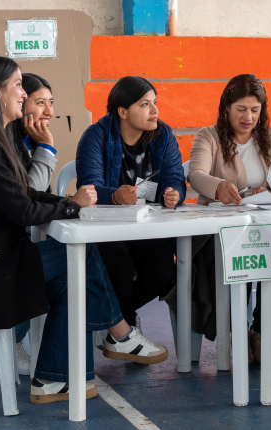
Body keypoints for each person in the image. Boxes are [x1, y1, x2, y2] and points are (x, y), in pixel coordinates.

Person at [0, 56, 167, 406]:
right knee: (82, 256)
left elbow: (23, 194)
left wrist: (68, 201)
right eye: (16, 85)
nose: (22, 94)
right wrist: (72, 206)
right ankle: (119, 334)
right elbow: (23, 210)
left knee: (75, 279)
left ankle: (54, 380)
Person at [188, 74, 271, 362]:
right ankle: (240, 332)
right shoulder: (207, 136)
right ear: (226, 108)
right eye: (241, 109)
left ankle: (258, 328)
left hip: (261, 224)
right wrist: (218, 187)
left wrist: (267, 192)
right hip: (220, 230)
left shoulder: (268, 139)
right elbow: (195, 174)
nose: (248, 117)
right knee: (243, 256)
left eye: (255, 110)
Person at [76, 76, 186, 332]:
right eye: (145, 104)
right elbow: (89, 188)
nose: (155, 110)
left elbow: (175, 177)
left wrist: (174, 193)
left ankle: (116, 320)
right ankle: (125, 330)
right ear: (123, 111)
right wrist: (114, 196)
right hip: (106, 228)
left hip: (145, 226)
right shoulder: (96, 136)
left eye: (155, 102)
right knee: (120, 265)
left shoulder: (163, 134)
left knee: (162, 271)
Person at [0, 72, 58, 375]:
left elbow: (36, 197)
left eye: (51, 103)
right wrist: (47, 149)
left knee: (80, 258)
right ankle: (116, 332)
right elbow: (28, 200)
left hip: (9, 244)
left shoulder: (21, 141)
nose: (49, 112)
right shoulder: (2, 144)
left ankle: (114, 332)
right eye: (39, 102)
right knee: (74, 260)